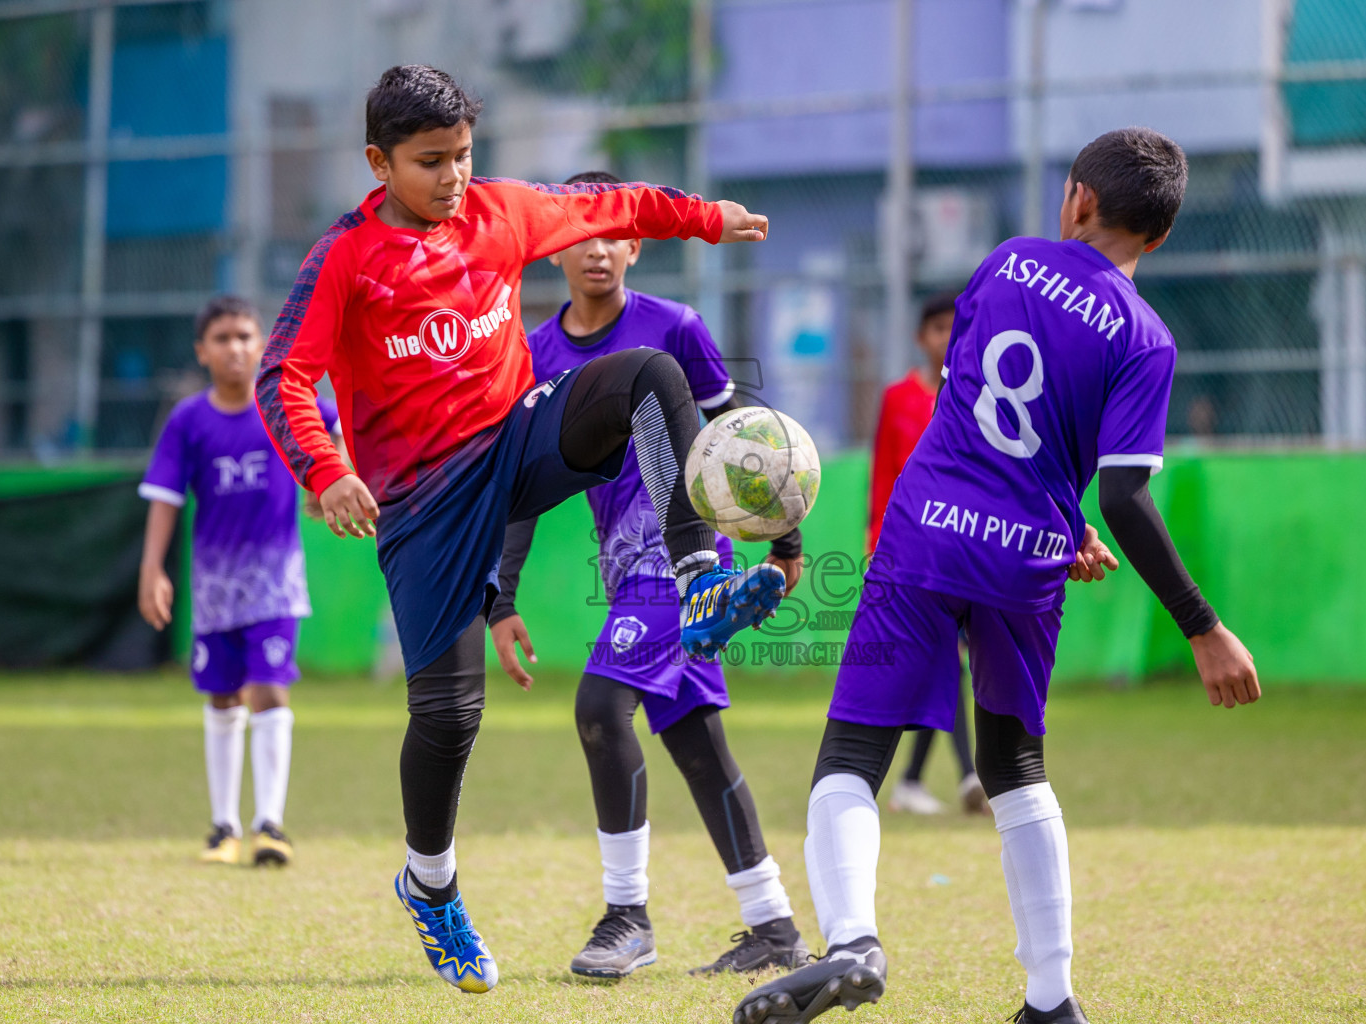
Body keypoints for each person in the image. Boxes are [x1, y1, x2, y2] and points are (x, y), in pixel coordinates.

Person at [256, 66, 782, 995]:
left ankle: (698, 573)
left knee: (648, 375)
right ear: (379, 162)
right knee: (450, 717)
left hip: (516, 440)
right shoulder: (343, 259)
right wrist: (327, 469)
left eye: (462, 155)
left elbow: (612, 202)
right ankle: (431, 885)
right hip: (421, 501)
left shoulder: (501, 211)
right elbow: (282, 379)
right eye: (429, 163)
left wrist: (707, 216)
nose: (453, 176)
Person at [735, 127, 1261, 1024]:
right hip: (1027, 560)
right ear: (1159, 237)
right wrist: (1201, 625)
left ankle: (856, 944)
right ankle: (1052, 1000)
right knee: (1015, 765)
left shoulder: (1009, 264)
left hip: (927, 532)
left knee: (853, 756)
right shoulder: (1148, 339)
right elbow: (1123, 494)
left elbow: (973, 405)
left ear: (1077, 202)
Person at [487, 171, 809, 979]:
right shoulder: (534, 353)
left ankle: (627, 916)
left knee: (600, 707)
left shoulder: (676, 326)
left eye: (614, 236)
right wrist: (504, 595)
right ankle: (773, 926)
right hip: (621, 562)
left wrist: (787, 544)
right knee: (694, 740)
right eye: (580, 236)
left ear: (636, 244)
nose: (597, 250)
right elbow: (523, 488)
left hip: (686, 562)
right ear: (556, 248)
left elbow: (748, 434)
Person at [137, 295, 339, 868]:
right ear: (203, 351)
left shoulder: (285, 406)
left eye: (247, 336)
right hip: (215, 588)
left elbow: (337, 428)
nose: (237, 348)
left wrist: (327, 476)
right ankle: (223, 827)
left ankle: (269, 826)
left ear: (262, 344)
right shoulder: (188, 421)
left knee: (270, 690)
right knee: (223, 697)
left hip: (276, 583)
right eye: (223, 338)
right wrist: (152, 569)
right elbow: (164, 499)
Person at [868, 293, 982, 816]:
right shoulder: (898, 398)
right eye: (936, 328)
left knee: (945, 664)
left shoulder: (977, 396)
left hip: (966, 550)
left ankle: (915, 780)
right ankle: (965, 777)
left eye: (954, 327)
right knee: (945, 662)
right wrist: (876, 542)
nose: (945, 336)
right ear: (921, 338)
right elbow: (884, 473)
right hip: (912, 550)